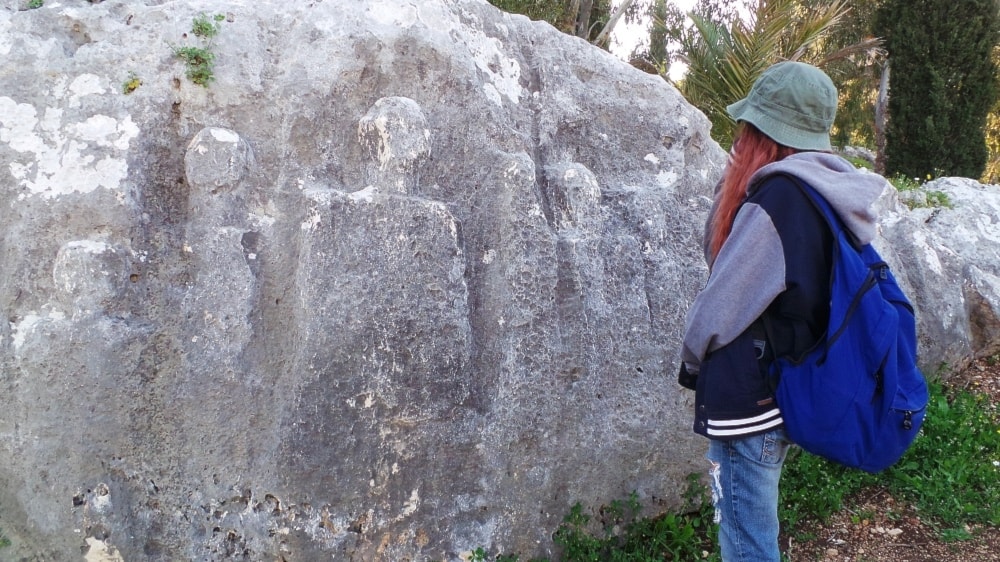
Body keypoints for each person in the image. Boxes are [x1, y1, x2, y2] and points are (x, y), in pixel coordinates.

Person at [677, 61, 888, 561]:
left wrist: (692, 361)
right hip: (782, 392)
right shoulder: (823, 192)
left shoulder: (780, 199)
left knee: (746, 545)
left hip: (748, 402)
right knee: (753, 536)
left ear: (760, 132)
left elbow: (722, 302)